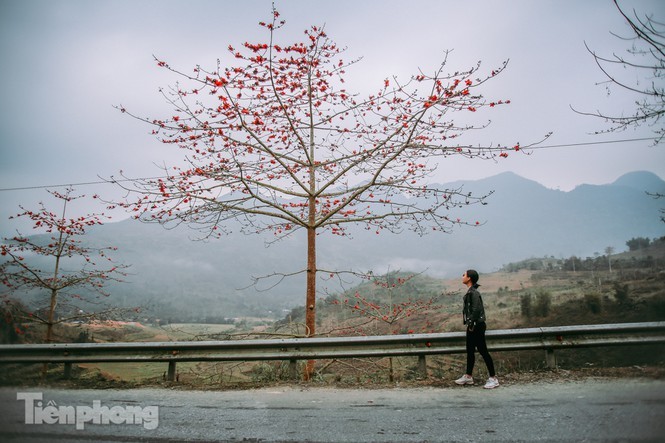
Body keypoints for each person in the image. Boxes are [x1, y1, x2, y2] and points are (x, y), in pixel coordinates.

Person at [454, 269, 499, 389]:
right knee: (470, 351)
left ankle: (493, 378)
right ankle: (468, 376)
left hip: (477, 325)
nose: (462, 276)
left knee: (483, 351)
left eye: (464, 275)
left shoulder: (474, 293)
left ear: (469, 278)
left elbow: (476, 310)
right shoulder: (471, 292)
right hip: (472, 325)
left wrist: (471, 323)